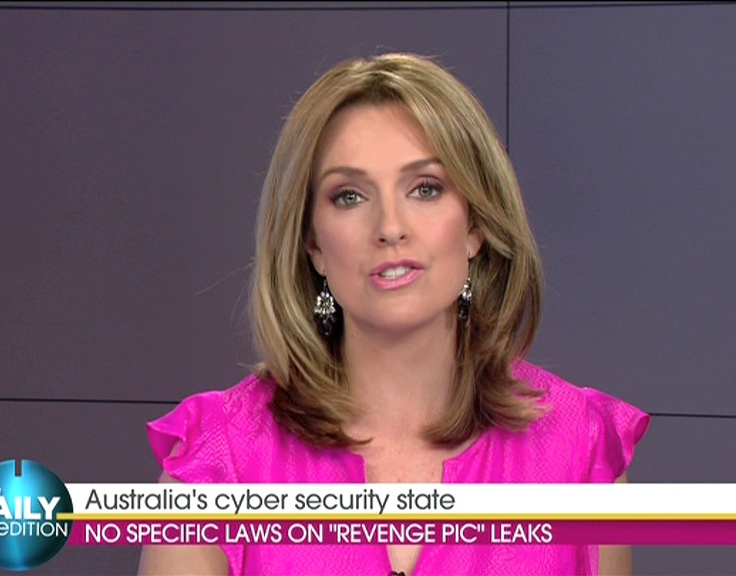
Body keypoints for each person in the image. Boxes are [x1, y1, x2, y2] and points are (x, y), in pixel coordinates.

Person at [138, 52, 649, 576]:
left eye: (425, 188)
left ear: (475, 226)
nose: (389, 227)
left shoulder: (580, 450)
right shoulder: (218, 461)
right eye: (349, 196)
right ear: (313, 244)